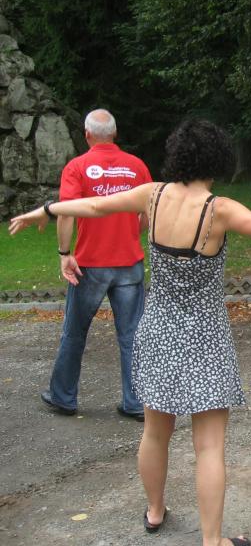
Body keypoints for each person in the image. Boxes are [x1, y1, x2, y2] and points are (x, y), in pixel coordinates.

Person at [10, 119, 251, 546]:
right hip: (205, 337)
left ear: (177, 154)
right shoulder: (219, 209)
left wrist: (47, 211)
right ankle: (212, 541)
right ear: (217, 159)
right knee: (209, 447)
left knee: (154, 432)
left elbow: (94, 206)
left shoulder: (152, 195)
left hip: (157, 330)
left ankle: (155, 511)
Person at [38, 109, 152, 421]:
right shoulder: (137, 166)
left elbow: (66, 211)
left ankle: (63, 397)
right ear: (115, 133)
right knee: (132, 336)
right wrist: (130, 234)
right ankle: (136, 402)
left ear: (87, 135)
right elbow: (148, 213)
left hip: (89, 264)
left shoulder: (77, 167)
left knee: (74, 333)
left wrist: (64, 253)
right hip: (129, 262)